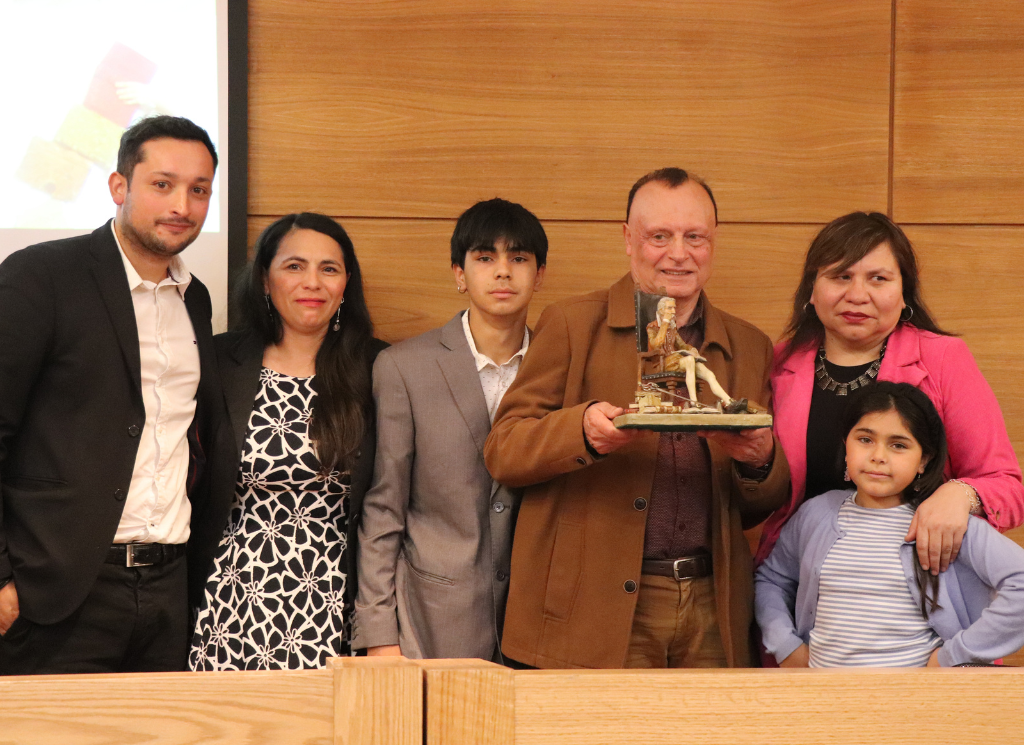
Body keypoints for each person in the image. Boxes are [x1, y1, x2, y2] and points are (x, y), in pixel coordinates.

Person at [484, 168, 790, 669]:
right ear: (628, 240)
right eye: (659, 237)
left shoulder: (749, 346)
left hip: (712, 605)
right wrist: (581, 430)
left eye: (695, 237)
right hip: (592, 606)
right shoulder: (571, 324)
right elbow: (504, 450)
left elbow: (760, 504)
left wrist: (759, 461)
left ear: (713, 242)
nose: (678, 253)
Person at [0, 115, 221, 674]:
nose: (182, 205)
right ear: (119, 187)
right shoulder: (41, 277)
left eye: (199, 190)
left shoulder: (195, 300)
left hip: (168, 588)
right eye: (163, 184)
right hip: (57, 589)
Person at [757, 212, 1023, 577]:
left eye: (878, 279)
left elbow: (1006, 488)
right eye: (841, 276)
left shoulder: (943, 359)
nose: (857, 295)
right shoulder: (778, 362)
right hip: (800, 579)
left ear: (903, 292)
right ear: (812, 290)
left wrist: (959, 495)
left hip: (912, 587)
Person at [352, 198, 547, 661]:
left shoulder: (559, 367)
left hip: (535, 623)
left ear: (539, 275)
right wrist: (379, 634)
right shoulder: (404, 367)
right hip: (433, 619)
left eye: (518, 258)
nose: (503, 272)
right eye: (485, 258)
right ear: (459, 274)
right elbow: (384, 508)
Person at [189, 213, 386, 670]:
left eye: (329, 269)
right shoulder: (218, 361)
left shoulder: (380, 369)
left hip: (337, 602)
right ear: (264, 278)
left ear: (346, 283)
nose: (311, 283)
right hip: (229, 598)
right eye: (294, 267)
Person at [755, 382, 1024, 667]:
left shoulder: (946, 523)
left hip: (917, 704)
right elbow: (771, 580)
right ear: (846, 444)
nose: (878, 456)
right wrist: (784, 645)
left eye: (898, 445)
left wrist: (956, 655)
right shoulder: (816, 514)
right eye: (865, 439)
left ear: (924, 460)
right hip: (825, 701)